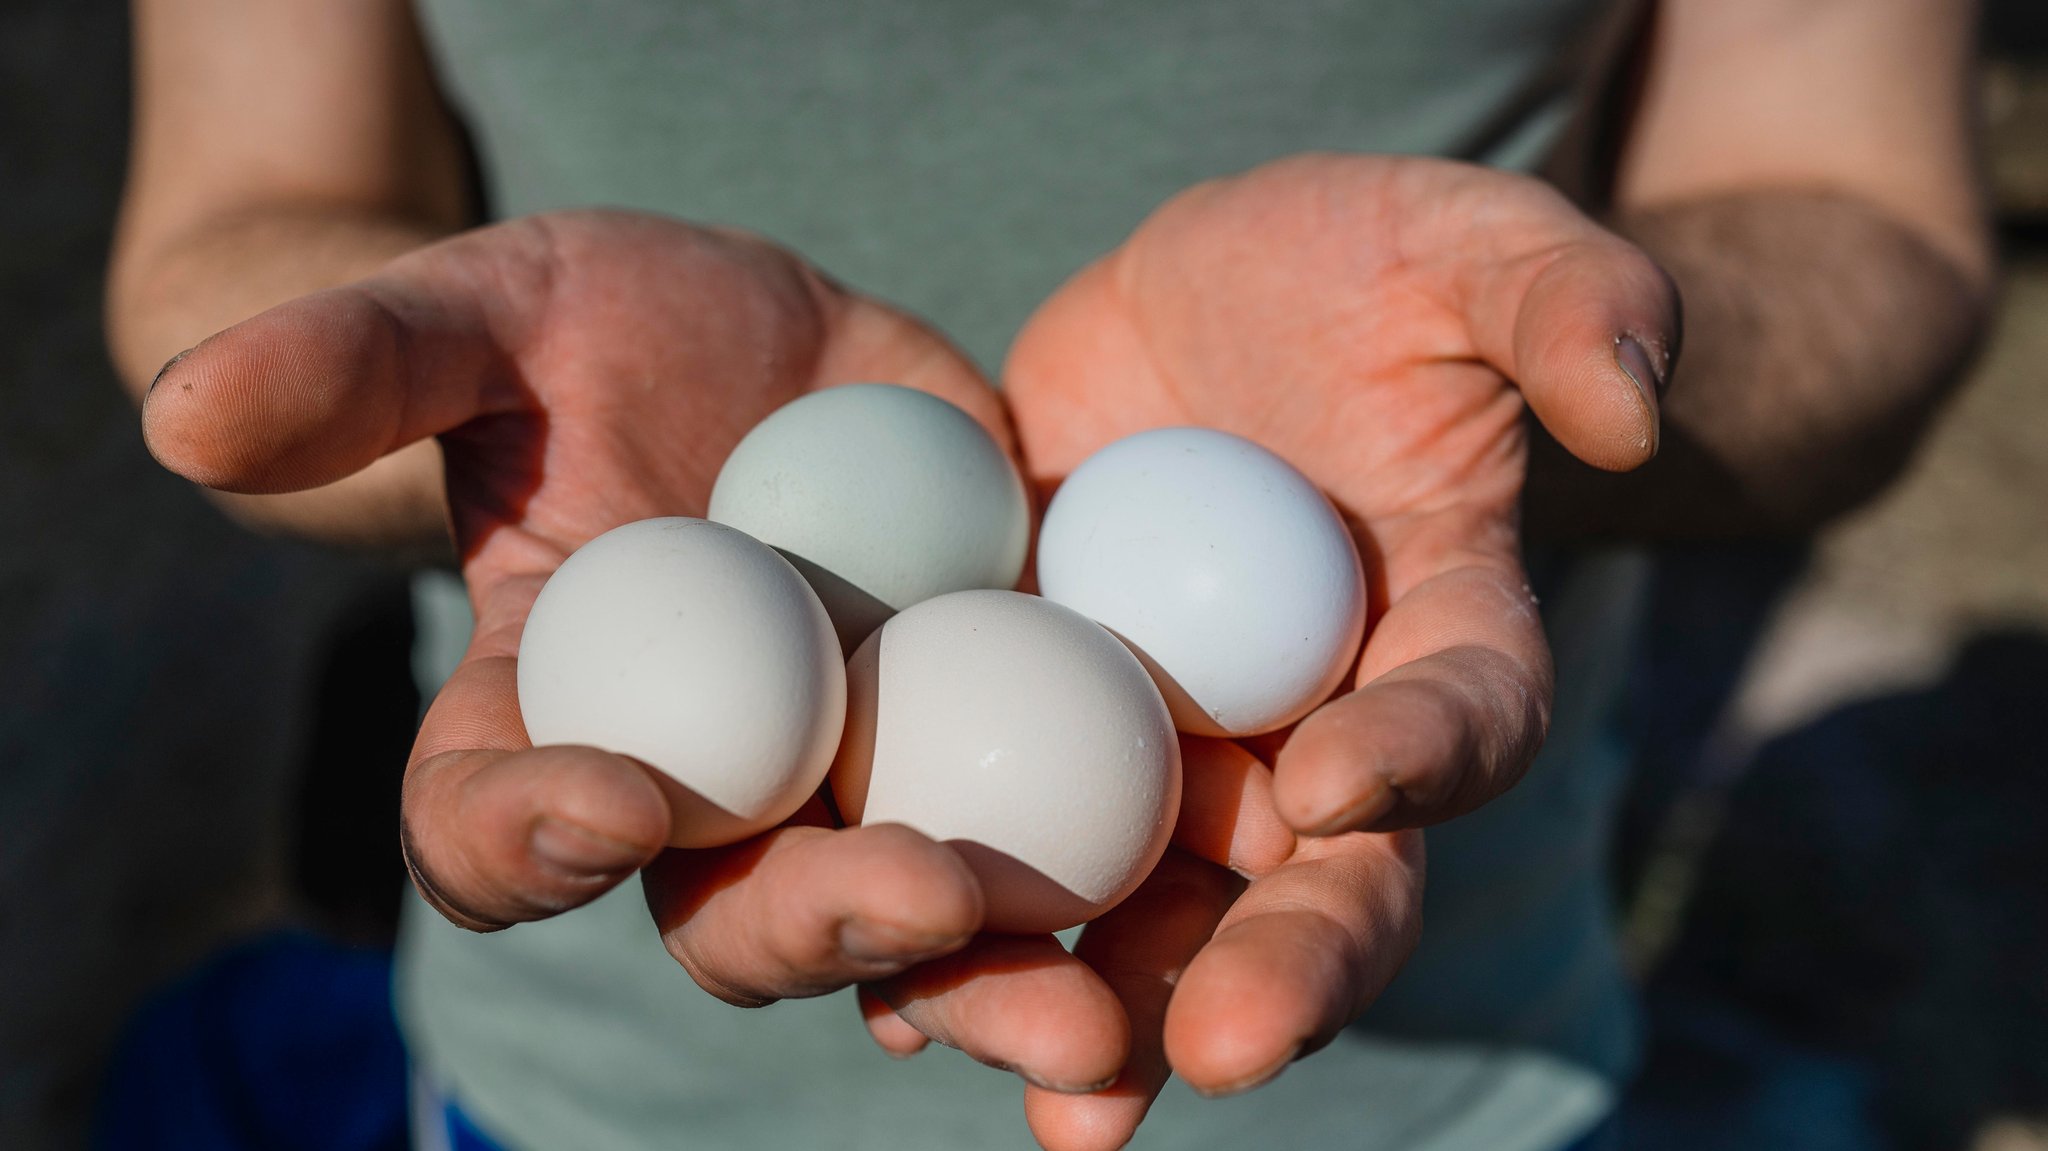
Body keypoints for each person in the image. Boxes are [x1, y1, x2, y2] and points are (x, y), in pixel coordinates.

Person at [106, 1, 1990, 1148]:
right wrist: (481, 405)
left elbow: (1862, 215)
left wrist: (1512, 377)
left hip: (1435, 1056)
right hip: (597, 1092)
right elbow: (237, 221)